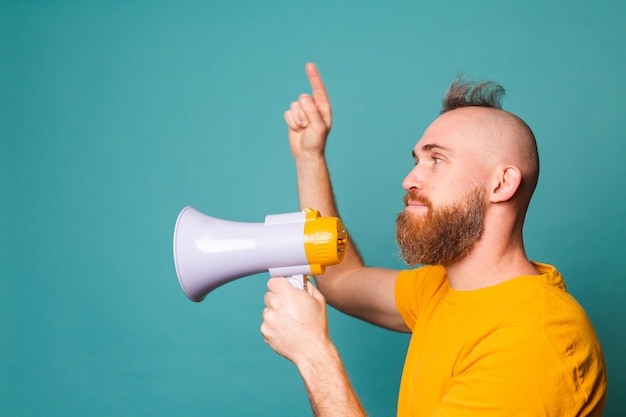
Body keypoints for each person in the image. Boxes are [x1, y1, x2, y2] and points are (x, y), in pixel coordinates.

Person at [260, 63, 607, 416]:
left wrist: (313, 353)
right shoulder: (440, 289)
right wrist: (309, 156)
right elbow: (340, 279)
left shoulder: (533, 336)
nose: (409, 179)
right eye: (417, 160)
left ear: (501, 185)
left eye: (437, 159)